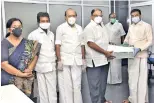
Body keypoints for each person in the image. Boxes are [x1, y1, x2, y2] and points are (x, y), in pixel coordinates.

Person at [1, 18, 40, 96]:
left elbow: (35, 55)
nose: (17, 29)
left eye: (19, 26)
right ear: (9, 29)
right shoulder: (4, 43)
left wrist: (29, 69)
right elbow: (3, 64)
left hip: (25, 81)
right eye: (14, 26)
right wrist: (21, 74)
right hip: (8, 81)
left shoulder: (28, 43)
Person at [83, 8, 114, 103]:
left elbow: (103, 40)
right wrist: (105, 52)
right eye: (96, 15)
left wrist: (110, 47)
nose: (98, 17)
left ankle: (102, 100)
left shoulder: (102, 26)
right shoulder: (89, 28)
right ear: (91, 17)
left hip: (104, 59)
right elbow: (90, 43)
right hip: (94, 61)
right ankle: (95, 101)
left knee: (103, 84)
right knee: (94, 85)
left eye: (100, 15)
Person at [123, 9, 153, 103]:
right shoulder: (131, 26)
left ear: (140, 15)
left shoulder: (146, 26)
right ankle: (132, 99)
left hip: (142, 56)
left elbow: (150, 41)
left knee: (142, 80)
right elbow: (127, 38)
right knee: (132, 79)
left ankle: (141, 100)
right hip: (131, 55)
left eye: (136, 15)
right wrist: (124, 45)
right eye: (132, 16)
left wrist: (140, 49)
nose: (134, 17)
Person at [55, 8, 85, 103]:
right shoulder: (60, 28)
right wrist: (59, 60)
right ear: (65, 17)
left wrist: (83, 58)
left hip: (77, 59)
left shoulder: (80, 28)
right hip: (65, 60)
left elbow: (82, 44)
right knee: (65, 85)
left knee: (77, 84)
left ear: (76, 17)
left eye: (73, 15)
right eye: (69, 16)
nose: (72, 18)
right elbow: (57, 45)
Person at [28, 12, 57, 103]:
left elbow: (53, 49)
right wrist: (31, 68)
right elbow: (30, 53)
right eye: (43, 21)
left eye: (47, 21)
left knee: (52, 91)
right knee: (42, 91)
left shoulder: (51, 34)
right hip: (40, 67)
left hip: (51, 65)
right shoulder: (33, 35)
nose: (45, 23)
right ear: (38, 22)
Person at [105, 13, 126, 84]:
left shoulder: (119, 25)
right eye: (111, 17)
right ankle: (109, 80)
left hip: (117, 46)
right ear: (109, 18)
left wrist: (123, 46)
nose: (113, 18)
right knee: (110, 62)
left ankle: (117, 80)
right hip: (108, 46)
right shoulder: (106, 26)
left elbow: (122, 36)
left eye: (114, 17)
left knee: (117, 63)